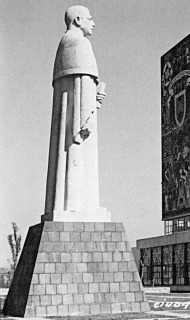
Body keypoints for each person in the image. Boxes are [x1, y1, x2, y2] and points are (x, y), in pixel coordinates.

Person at [44, 5, 108, 221]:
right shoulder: (80, 43)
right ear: (78, 20)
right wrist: (85, 119)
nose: (93, 22)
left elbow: (77, 86)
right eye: (90, 18)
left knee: (68, 158)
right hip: (80, 121)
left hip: (71, 114)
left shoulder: (65, 44)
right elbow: (81, 84)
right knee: (79, 157)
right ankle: (80, 207)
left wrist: (95, 101)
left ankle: (74, 205)